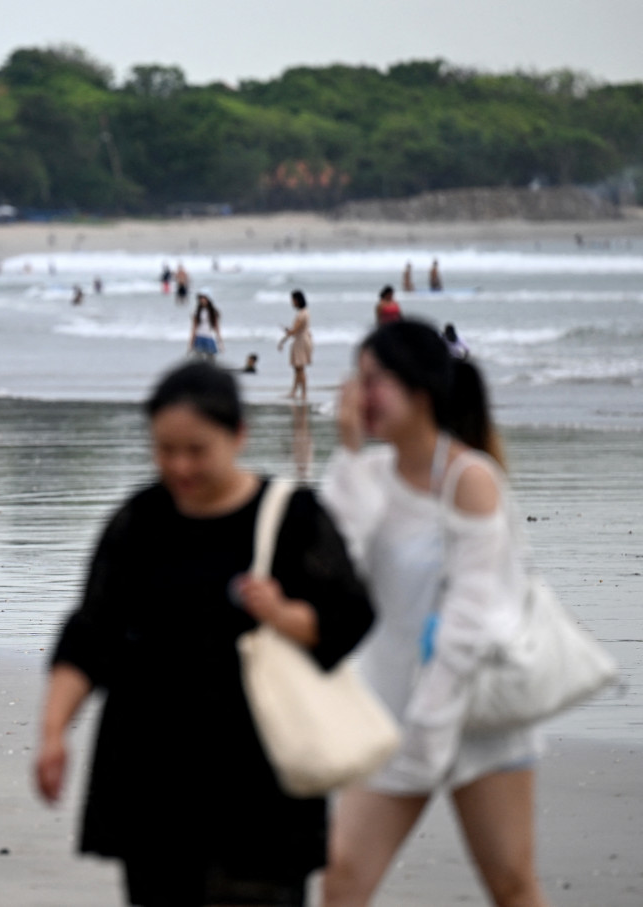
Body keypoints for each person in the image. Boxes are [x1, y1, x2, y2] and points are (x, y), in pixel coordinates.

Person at [35, 362, 374, 907]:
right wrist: (54, 732)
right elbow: (90, 635)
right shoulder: (138, 522)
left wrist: (284, 614)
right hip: (152, 784)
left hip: (262, 791)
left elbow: (349, 618)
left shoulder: (290, 517)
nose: (179, 465)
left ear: (238, 435)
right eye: (165, 450)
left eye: (196, 449)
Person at [320, 320, 548, 907]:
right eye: (357, 379)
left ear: (419, 390)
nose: (359, 394)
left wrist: (431, 725)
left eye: (374, 381)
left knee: (511, 885)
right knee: (342, 878)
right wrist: (348, 452)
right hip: (395, 711)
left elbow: (472, 617)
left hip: (477, 715)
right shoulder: (366, 475)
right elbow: (330, 569)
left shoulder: (472, 480)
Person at [278, 289, 313, 400]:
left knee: (300, 368)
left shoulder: (301, 315)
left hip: (300, 342)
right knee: (298, 368)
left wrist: (283, 339)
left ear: (297, 300)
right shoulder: (305, 312)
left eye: (292, 300)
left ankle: (303, 393)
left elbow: (294, 331)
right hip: (304, 340)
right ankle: (294, 392)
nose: (292, 302)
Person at [189, 293, 224, 363]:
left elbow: (216, 327)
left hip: (208, 336)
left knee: (211, 359)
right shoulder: (197, 312)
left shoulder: (213, 312)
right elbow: (194, 328)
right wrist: (191, 343)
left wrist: (220, 342)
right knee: (198, 359)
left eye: (204, 298)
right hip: (199, 336)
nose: (202, 300)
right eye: (201, 299)